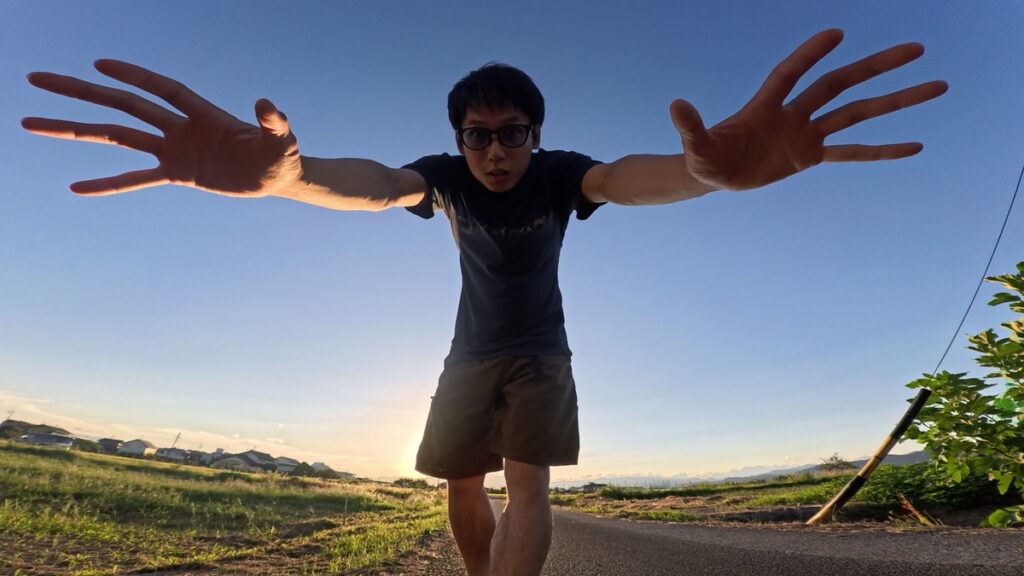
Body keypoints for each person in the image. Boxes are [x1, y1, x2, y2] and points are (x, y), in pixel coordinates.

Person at [22, 29, 945, 576]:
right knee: (461, 484)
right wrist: (293, 180)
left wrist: (700, 175)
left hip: (543, 353)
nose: (496, 151)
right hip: (466, 356)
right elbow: (377, 185)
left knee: (528, 484)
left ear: (535, 135)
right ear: (458, 139)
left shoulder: (559, 174)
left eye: (512, 133)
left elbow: (627, 179)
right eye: (478, 135)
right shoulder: (443, 178)